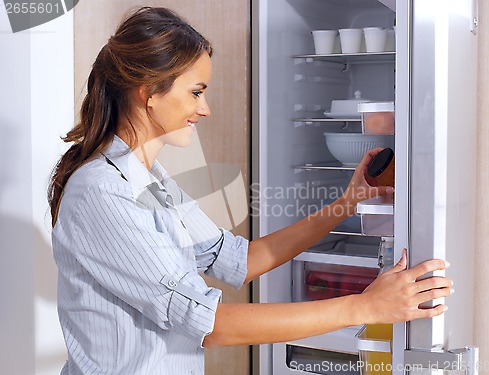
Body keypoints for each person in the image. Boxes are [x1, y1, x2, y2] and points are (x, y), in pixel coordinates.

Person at [48, 7, 452, 375]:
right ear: (150, 92)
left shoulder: (152, 181)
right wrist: (364, 306)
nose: (204, 109)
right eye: (196, 92)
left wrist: (347, 203)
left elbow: (237, 260)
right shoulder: (102, 192)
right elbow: (211, 324)